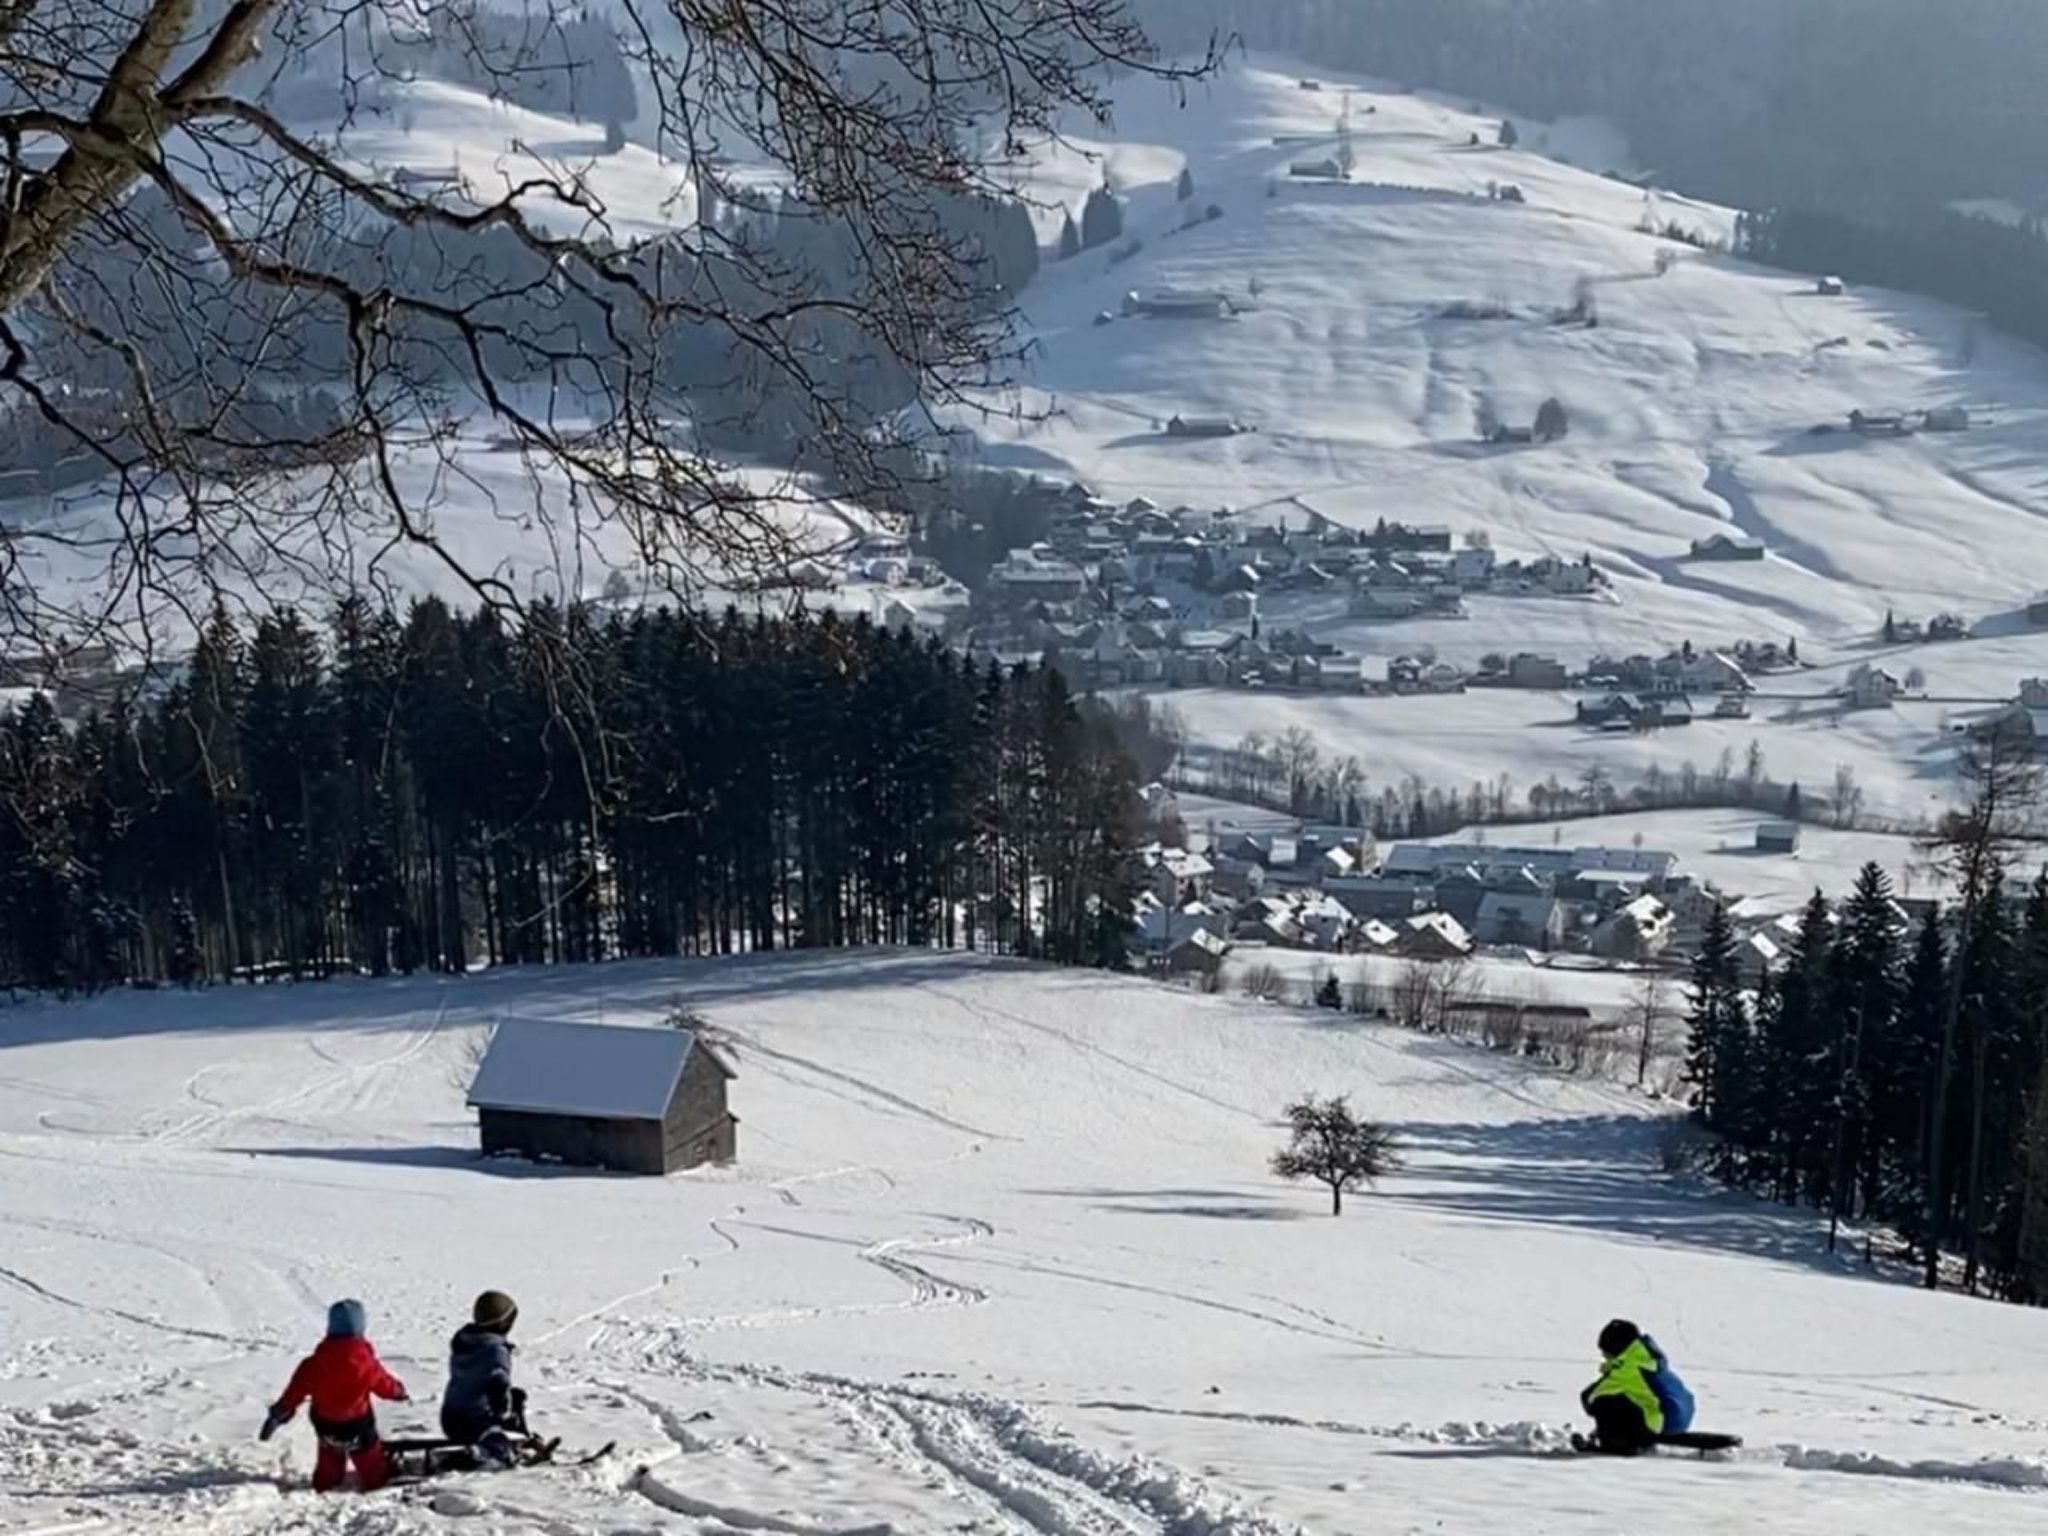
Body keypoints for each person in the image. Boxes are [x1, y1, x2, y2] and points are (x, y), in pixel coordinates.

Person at [261, 1299, 409, 1492]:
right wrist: (399, 1392)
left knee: (329, 1459)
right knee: (370, 1462)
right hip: (358, 1427)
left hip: (327, 1427)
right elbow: (385, 1386)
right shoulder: (367, 1365)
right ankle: (378, 1483)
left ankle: (325, 1484)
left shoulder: (312, 1365)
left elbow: (293, 1394)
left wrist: (279, 1413)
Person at [1579, 1318, 1692, 1453]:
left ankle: (1616, 1445)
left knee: (1603, 1402)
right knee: (1628, 1398)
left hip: (1662, 1422)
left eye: (1605, 1350)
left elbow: (1590, 1397)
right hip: (1678, 1418)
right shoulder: (1645, 1360)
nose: (1603, 1355)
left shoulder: (1628, 1367)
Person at [441, 1289, 526, 1468]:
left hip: (450, 1416)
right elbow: (499, 1385)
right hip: (476, 1420)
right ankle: (476, 1458)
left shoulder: (465, 1342)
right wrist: (504, 1413)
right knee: (500, 1449)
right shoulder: (495, 1351)